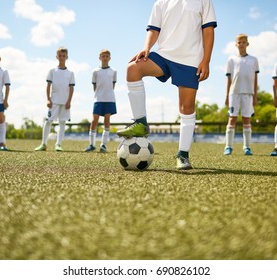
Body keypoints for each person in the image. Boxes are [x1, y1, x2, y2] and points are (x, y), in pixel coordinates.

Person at [116, 0, 217, 170]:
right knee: (133, 68)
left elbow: (208, 30)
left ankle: (183, 155)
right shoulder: (161, 2)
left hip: (190, 59)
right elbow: (154, 29)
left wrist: (206, 60)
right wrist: (146, 48)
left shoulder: (203, 1)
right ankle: (140, 123)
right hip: (164, 55)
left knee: (187, 107)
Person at [224, 34, 259, 156]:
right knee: (232, 118)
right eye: (239, 42)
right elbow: (229, 79)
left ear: (247, 44)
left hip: (248, 93)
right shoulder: (231, 59)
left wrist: (255, 95)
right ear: (236, 44)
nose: (241, 44)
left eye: (244, 42)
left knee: (246, 119)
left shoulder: (253, 60)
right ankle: (228, 147)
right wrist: (227, 95)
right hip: (234, 93)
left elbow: (255, 79)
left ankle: (247, 147)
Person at [35, 47, 75, 152]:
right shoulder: (52, 71)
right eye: (60, 56)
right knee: (48, 121)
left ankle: (58, 144)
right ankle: (43, 144)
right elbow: (48, 86)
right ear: (56, 56)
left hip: (65, 102)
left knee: (62, 123)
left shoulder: (70, 73)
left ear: (67, 57)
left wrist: (69, 101)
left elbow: (71, 88)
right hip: (54, 101)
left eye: (64, 56)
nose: (62, 58)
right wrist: (48, 99)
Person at [85, 49, 117, 153]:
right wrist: (99, 94)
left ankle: (103, 145)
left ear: (110, 58)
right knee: (94, 121)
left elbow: (113, 85)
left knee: (107, 120)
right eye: (103, 56)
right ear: (100, 58)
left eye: (107, 56)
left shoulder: (113, 71)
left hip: (109, 98)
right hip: (98, 99)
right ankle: (92, 144)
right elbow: (94, 86)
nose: (105, 58)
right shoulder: (95, 71)